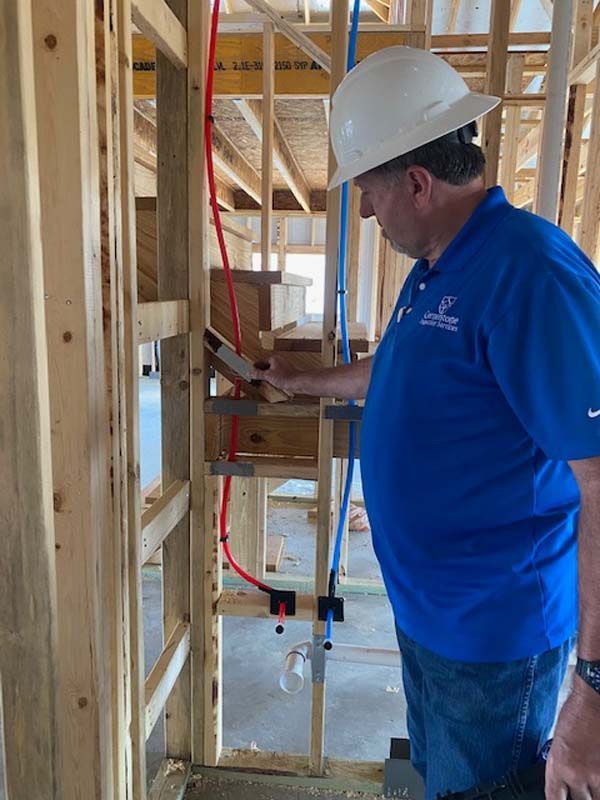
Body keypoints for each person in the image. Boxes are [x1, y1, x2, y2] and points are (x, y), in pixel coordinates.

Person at [252, 47, 600, 800]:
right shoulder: (439, 266)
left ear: (416, 182)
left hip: (494, 636)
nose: (365, 211)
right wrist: (302, 381)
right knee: (443, 781)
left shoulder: (531, 274)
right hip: (429, 615)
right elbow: (398, 369)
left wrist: (595, 689)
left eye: (368, 192)